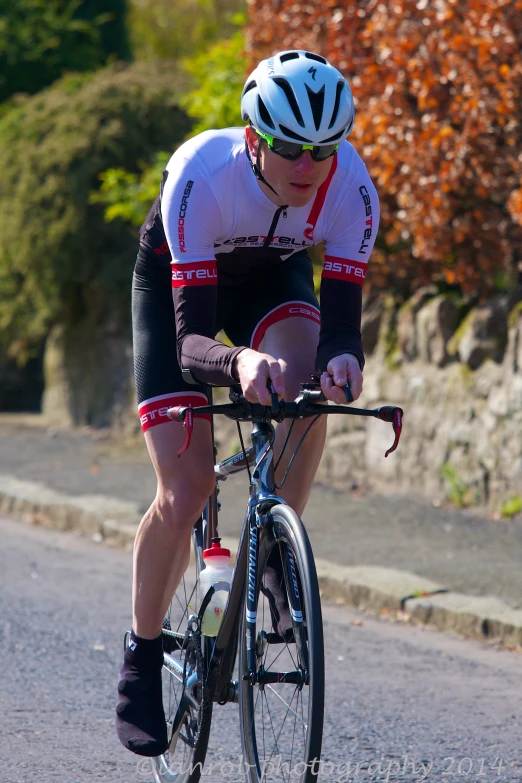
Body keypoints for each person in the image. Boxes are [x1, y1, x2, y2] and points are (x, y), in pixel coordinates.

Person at [116, 49, 379, 757]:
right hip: (182, 291)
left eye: (323, 149)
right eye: (291, 146)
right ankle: (141, 657)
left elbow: (343, 325)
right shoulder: (204, 174)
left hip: (272, 277)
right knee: (186, 485)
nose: (308, 163)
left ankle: (273, 551)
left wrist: (343, 360)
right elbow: (191, 342)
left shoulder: (351, 188)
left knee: (308, 386)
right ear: (255, 139)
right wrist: (237, 362)